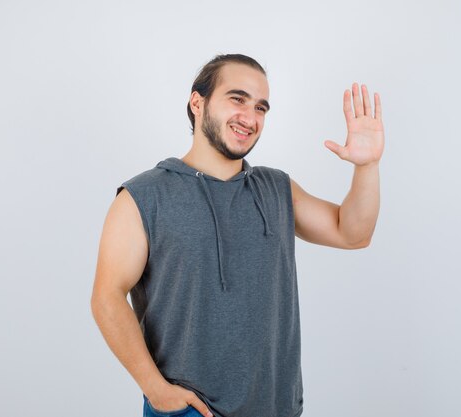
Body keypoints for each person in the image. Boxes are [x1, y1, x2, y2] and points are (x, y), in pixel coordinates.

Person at [91, 53, 384, 417]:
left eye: (261, 107)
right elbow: (107, 296)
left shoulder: (276, 188)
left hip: (277, 408)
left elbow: (353, 233)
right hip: (192, 411)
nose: (250, 117)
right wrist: (156, 390)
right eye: (237, 99)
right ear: (197, 102)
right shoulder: (144, 197)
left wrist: (367, 166)